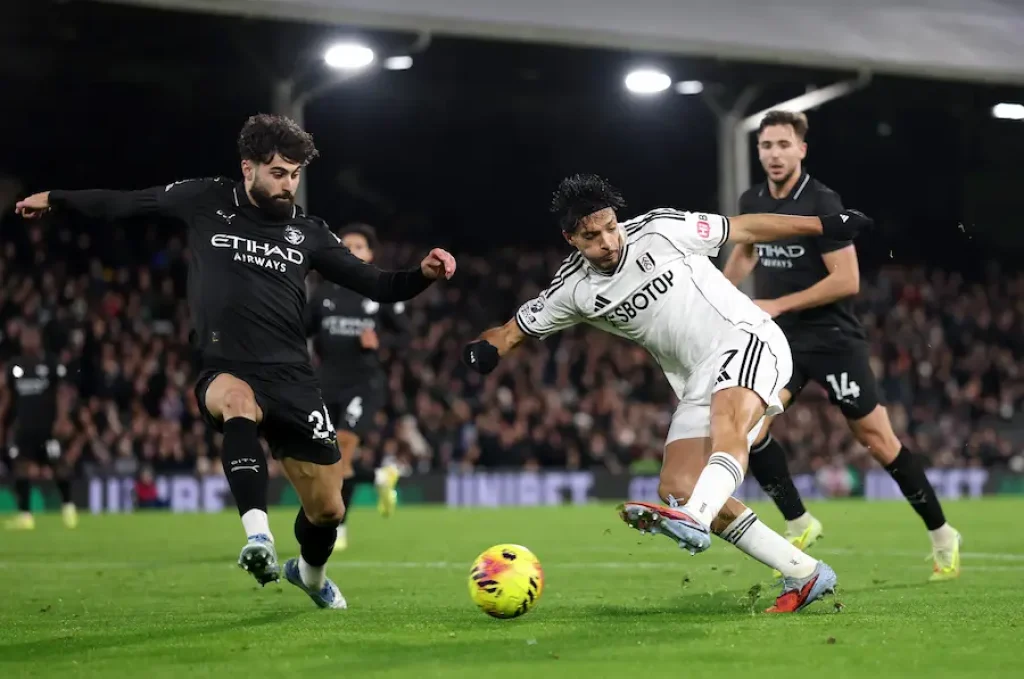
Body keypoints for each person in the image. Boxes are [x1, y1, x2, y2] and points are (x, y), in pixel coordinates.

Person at [15, 113, 456, 609]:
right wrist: (56, 198)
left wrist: (423, 273)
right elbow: (128, 203)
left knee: (329, 510)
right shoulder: (206, 198)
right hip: (226, 363)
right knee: (237, 403)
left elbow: (379, 284)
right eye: (278, 173)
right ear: (248, 167)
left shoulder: (309, 232)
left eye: (294, 175)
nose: (288, 185)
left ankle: (309, 574)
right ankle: (258, 536)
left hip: (293, 376)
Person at [462, 174, 873, 613]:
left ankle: (695, 518)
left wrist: (824, 225)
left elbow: (745, 228)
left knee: (727, 427)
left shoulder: (661, 230)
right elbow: (510, 332)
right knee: (678, 486)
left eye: (610, 227)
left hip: (745, 338)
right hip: (696, 378)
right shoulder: (573, 290)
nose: (608, 242)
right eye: (591, 236)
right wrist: (483, 351)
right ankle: (804, 572)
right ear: (570, 239)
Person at [723, 110, 961, 582]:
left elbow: (847, 280)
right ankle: (799, 522)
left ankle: (943, 535)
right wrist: (719, 298)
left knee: (878, 442)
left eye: (783, 145)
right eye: (766, 145)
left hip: (833, 339)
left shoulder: (822, 201)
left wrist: (777, 303)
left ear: (801, 150)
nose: (774, 154)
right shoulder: (752, 201)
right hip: (783, 341)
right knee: (750, 426)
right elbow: (745, 252)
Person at [306, 223, 407, 550]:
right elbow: (300, 331)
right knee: (328, 459)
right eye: (345, 245)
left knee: (344, 447)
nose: (351, 250)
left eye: (358, 246)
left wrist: (381, 342)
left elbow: (405, 335)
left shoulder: (379, 291)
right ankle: (379, 477)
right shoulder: (323, 294)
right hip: (326, 384)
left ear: (371, 254)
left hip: (363, 384)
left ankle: (338, 527)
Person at [3, 325, 77, 530]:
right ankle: (25, 515)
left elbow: (61, 393)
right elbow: (9, 397)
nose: (28, 340)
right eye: (25, 336)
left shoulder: (50, 363)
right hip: (24, 427)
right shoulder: (15, 366)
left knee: (58, 464)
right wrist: (5, 423)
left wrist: (61, 419)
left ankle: (68, 506)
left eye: (32, 336)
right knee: (21, 467)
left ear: (39, 339)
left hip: (47, 427)